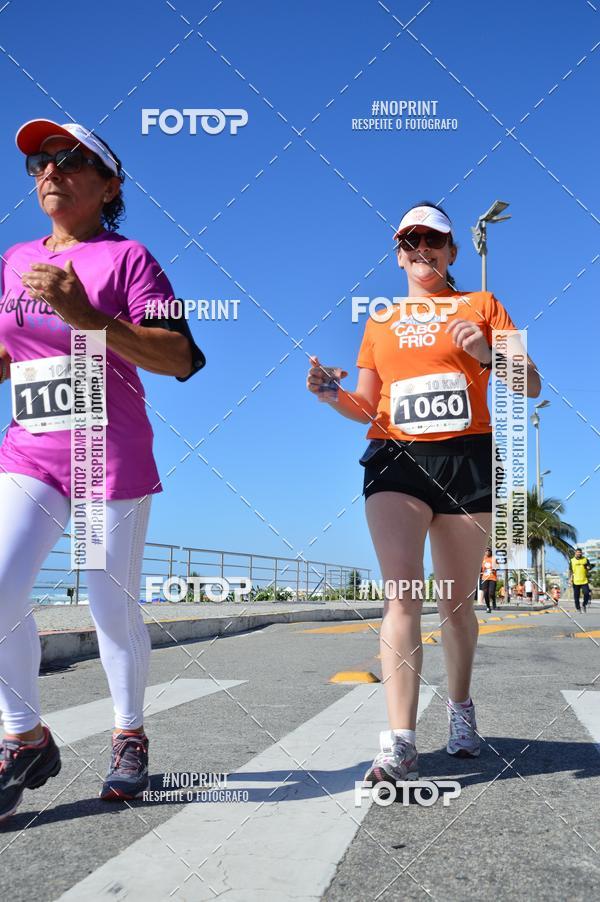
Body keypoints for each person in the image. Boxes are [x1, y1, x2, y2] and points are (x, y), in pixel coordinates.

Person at [0, 119, 204, 822]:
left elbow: (180, 356)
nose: (49, 171)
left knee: (107, 606)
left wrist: (86, 315)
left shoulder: (131, 259)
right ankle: (24, 737)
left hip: (107, 456)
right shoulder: (14, 259)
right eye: (37, 162)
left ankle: (129, 733)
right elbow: (11, 357)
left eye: (70, 160)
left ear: (109, 184)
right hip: (30, 451)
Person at [307, 201, 541, 782]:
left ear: (452, 252)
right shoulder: (380, 322)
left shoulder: (481, 305)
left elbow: (531, 385)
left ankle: (460, 709)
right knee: (403, 591)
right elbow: (365, 404)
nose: (421, 251)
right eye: (409, 243)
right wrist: (328, 394)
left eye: (432, 241)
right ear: (398, 255)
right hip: (396, 461)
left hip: (468, 461)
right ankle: (401, 740)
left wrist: (488, 354)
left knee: (457, 605)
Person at [480, 546, 498, 613]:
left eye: (488, 551)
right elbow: (480, 568)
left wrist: (494, 569)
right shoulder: (483, 559)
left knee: (491, 592)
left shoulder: (493, 559)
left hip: (492, 578)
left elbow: (497, 567)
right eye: (486, 551)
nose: (487, 552)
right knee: (485, 593)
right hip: (485, 578)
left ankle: (493, 601)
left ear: (491, 551)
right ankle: (488, 607)